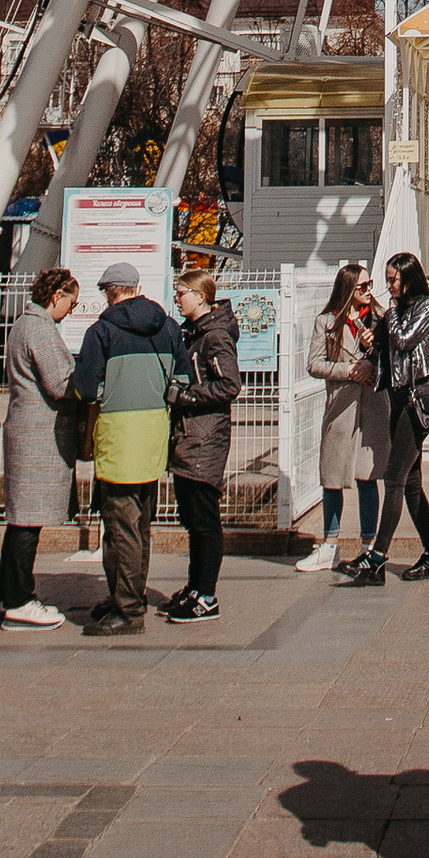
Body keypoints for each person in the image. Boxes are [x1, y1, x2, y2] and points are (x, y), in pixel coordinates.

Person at [72, 257, 182, 638]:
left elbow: (86, 388)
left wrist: (107, 393)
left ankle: (129, 609)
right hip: (153, 435)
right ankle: (126, 594)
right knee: (140, 525)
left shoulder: (101, 331)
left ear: (110, 291)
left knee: (120, 527)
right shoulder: (168, 327)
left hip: (117, 437)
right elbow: (181, 378)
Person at [344, 249, 429, 585]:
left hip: (416, 397)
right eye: (387, 280)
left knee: (393, 478)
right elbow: (388, 353)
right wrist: (371, 343)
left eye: (393, 279)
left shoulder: (425, 306)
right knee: (412, 485)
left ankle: (376, 558)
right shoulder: (396, 311)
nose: (388, 286)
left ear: (409, 278)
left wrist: (387, 319)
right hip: (396, 396)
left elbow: (405, 340)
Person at [0, 264, 78, 628]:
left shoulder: (21, 324)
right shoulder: (41, 328)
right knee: (27, 523)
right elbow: (60, 383)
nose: (72, 310)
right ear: (56, 295)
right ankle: (19, 600)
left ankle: (14, 595)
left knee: (21, 522)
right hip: (39, 433)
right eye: (71, 302)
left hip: (24, 425)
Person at [164, 256, 241, 620]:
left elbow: (229, 385)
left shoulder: (215, 336)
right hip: (188, 435)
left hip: (205, 436)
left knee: (204, 518)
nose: (176, 299)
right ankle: (195, 585)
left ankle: (207, 594)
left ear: (198, 295)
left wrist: (186, 396)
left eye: (180, 293)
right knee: (192, 517)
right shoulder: (192, 333)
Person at [300, 256, 386, 572]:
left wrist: (371, 361)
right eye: (362, 286)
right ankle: (330, 544)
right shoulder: (328, 321)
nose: (368, 290)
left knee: (367, 476)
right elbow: (314, 364)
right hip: (341, 406)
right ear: (348, 288)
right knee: (332, 476)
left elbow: (390, 359)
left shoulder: (380, 318)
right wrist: (348, 370)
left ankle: (368, 544)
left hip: (373, 405)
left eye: (370, 285)